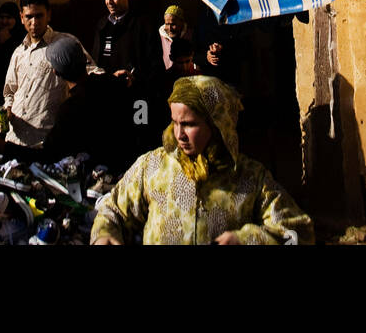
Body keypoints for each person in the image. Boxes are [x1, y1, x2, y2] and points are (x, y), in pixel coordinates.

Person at [90, 75, 314, 246]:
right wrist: (105, 234)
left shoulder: (250, 177)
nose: (179, 134)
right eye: (174, 123)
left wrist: (247, 239)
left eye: (189, 124)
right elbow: (113, 211)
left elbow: (298, 233)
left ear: (217, 126)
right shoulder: (153, 167)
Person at [0, 36, 121, 170]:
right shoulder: (107, 85)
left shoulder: (70, 109)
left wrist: (1, 147)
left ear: (55, 72)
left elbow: (48, 156)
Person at [2, 0, 93, 150]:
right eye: (29, 17)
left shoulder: (64, 44)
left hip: (45, 144)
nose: (34, 22)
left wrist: (112, 78)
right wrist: (6, 111)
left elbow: (90, 73)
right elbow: (10, 91)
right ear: (21, 18)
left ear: (49, 15)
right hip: (14, 140)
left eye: (39, 16)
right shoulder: (18, 52)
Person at [92, 0, 163, 160]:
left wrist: (136, 78)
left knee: (139, 145)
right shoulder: (102, 26)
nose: (110, 1)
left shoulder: (144, 25)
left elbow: (156, 65)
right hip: (108, 97)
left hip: (138, 100)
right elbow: (96, 63)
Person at [158, 4, 192, 69]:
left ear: (181, 22)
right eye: (167, 24)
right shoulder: (159, 38)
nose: (170, 28)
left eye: (173, 24)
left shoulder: (190, 35)